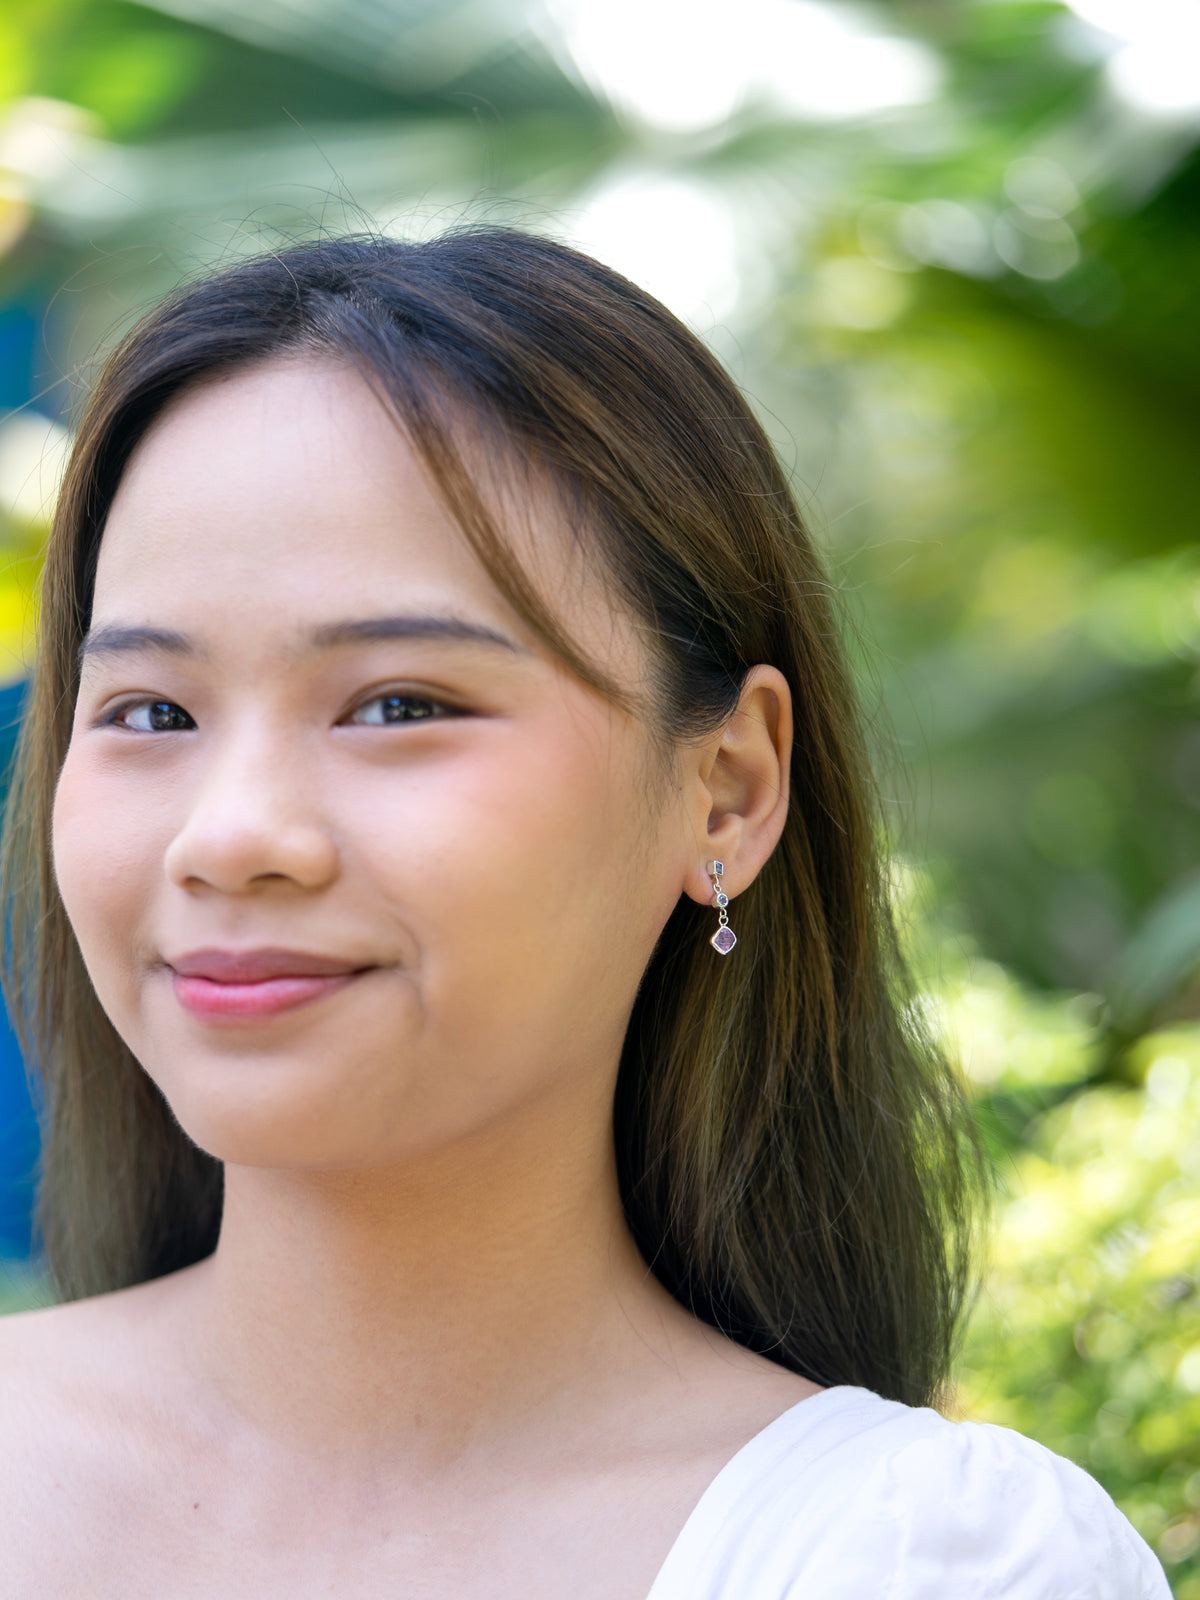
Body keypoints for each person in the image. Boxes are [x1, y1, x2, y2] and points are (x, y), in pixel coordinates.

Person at [0, 228, 1168, 1597]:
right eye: (152, 712)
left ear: (726, 790)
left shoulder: (919, 1561)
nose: (231, 836)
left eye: (399, 704)